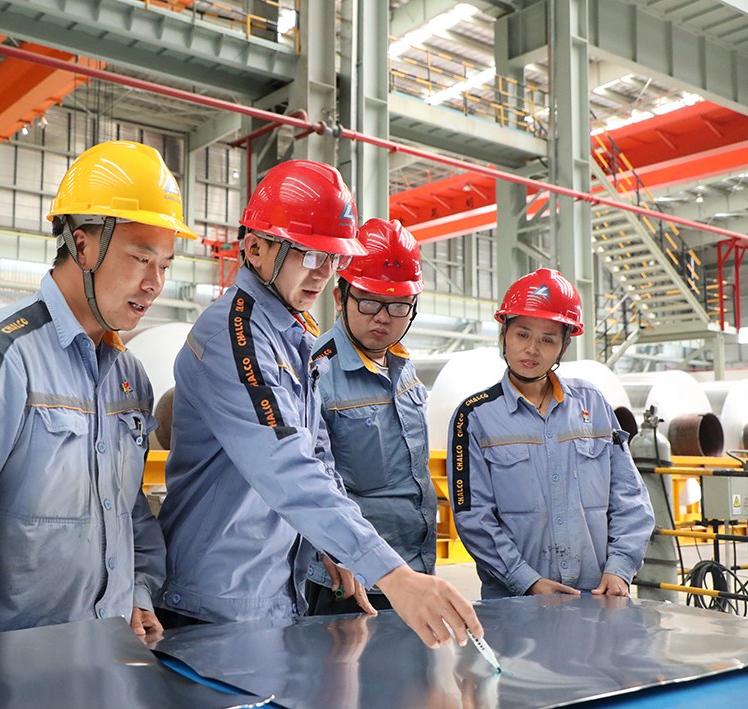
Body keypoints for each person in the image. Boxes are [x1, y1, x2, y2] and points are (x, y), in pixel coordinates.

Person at [158, 160, 482, 649]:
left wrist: (332, 543)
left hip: (274, 592)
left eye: (333, 259)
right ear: (256, 248)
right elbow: (284, 464)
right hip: (216, 601)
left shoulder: (294, 332)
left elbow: (318, 458)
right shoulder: (234, 333)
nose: (325, 275)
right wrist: (392, 572)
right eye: (311, 256)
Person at [0, 140, 196, 644]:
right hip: (15, 668)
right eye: (141, 259)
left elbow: (128, 509)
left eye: (165, 265)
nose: (154, 284)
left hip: (108, 657)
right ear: (83, 245)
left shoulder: (129, 377)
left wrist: (138, 591)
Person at [447, 268, 655, 600]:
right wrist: (525, 580)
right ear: (504, 335)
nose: (532, 349)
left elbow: (630, 498)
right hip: (516, 602)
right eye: (522, 334)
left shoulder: (593, 404)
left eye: (548, 339)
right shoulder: (475, 417)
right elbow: (473, 517)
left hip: (597, 597)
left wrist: (620, 567)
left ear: (563, 346)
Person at [306, 218, 437, 616]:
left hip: (414, 569)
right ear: (340, 295)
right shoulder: (316, 374)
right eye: (368, 300)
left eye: (398, 305)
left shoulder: (403, 366)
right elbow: (303, 484)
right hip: (348, 584)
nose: (383, 317)